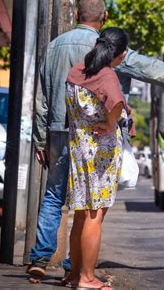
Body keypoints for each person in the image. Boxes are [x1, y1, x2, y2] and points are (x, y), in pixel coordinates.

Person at [28, 0, 164, 279]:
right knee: (90, 206)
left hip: (59, 131)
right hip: (94, 137)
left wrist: (40, 140)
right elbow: (156, 71)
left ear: (75, 15)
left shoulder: (54, 47)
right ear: (104, 17)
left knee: (53, 196)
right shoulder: (109, 51)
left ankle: (40, 259)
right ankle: (78, 269)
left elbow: (41, 98)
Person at [65, 27, 129, 289]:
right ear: (120, 54)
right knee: (94, 215)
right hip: (99, 151)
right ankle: (87, 278)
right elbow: (115, 104)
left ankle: (74, 273)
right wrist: (110, 124)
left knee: (81, 214)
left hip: (78, 146)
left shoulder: (78, 70)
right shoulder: (108, 76)